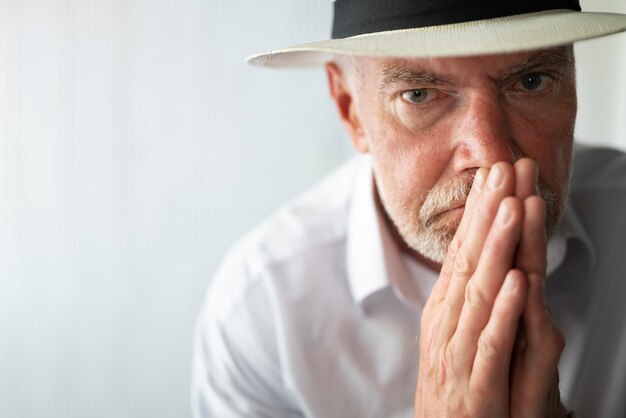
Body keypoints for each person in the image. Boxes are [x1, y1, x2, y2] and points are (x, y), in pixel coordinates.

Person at [192, 1, 626, 417]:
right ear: (351, 111)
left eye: (531, 82)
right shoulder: (262, 311)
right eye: (419, 94)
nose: (492, 158)